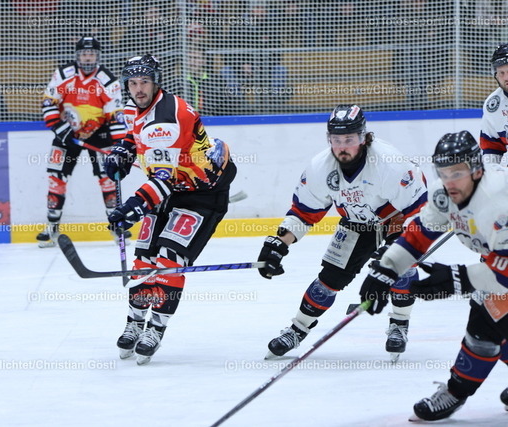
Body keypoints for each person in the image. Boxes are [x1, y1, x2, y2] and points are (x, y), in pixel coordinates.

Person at [258, 104, 427, 361]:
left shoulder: (389, 163)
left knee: (401, 267)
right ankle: (297, 329)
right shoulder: (320, 167)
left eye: (349, 139)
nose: (342, 147)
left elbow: (418, 213)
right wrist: (278, 244)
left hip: (396, 219)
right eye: (336, 140)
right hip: (356, 221)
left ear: (363, 137)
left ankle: (399, 324)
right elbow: (304, 212)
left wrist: (399, 248)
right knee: (329, 280)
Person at [359, 131, 508, 421]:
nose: (449, 181)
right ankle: (456, 391)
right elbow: (418, 235)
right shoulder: (444, 194)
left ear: (477, 170)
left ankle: (456, 391)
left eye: (457, 172)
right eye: (444, 172)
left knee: (491, 314)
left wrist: (458, 278)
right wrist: (385, 270)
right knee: (488, 317)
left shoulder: (498, 200)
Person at [103, 54, 236, 365]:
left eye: (144, 82)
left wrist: (132, 208)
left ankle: (155, 328)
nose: (139, 88)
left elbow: (162, 179)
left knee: (169, 260)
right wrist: (123, 151)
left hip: (202, 192)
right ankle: (135, 321)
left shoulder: (165, 120)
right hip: (170, 187)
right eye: (133, 83)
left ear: (156, 82)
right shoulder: (135, 108)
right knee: (144, 259)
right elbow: (134, 134)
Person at [36, 36, 127, 247]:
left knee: (108, 177)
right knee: (56, 177)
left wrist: (119, 147)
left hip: (99, 133)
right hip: (66, 132)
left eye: (92, 54)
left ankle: (116, 226)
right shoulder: (63, 74)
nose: (88, 57)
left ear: (98, 56)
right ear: (77, 56)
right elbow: (49, 102)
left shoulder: (107, 79)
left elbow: (115, 115)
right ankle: (52, 227)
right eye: (84, 53)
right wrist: (60, 128)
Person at [480, 43, 508, 164]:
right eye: (501, 73)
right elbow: (492, 148)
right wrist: (493, 172)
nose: (506, 78)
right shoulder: (493, 105)